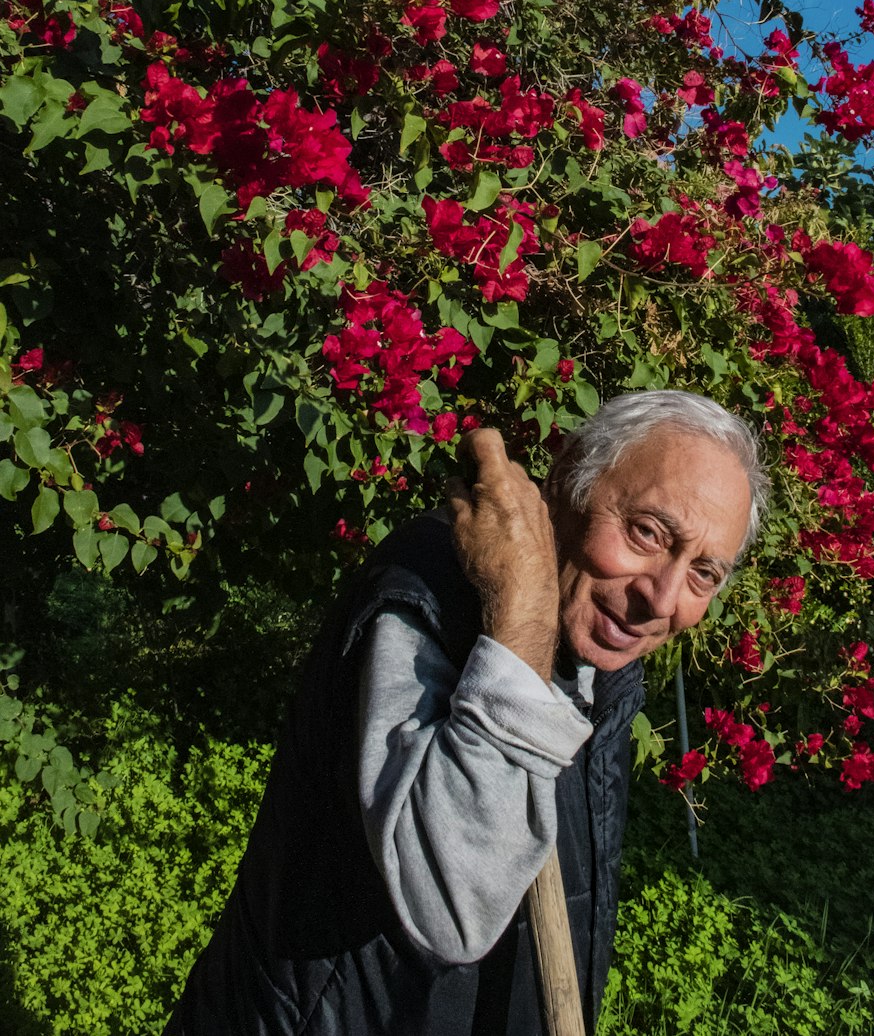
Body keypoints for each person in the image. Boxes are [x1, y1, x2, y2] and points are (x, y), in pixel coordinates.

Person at [164, 390, 767, 1036]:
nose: (662, 596)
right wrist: (522, 623)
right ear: (567, 480)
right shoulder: (427, 597)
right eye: (647, 532)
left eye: (704, 572)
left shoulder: (605, 641)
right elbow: (453, 903)